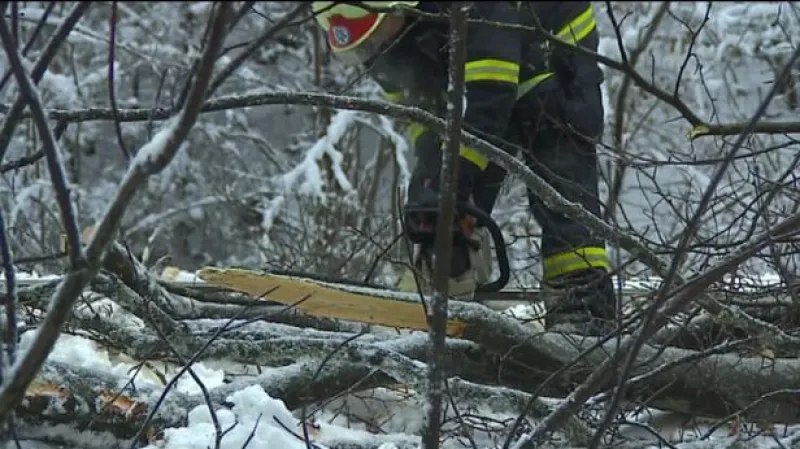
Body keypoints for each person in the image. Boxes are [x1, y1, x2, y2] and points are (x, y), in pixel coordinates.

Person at [311, 1, 616, 335]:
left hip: (550, 47)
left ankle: (580, 298)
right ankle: (451, 288)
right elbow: (422, 115)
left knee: (558, 165)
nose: (372, 49)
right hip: (482, 74)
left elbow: (488, 100)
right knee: (447, 186)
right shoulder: (386, 44)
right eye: (362, 46)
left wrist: (450, 177)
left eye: (371, 37)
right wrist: (432, 180)